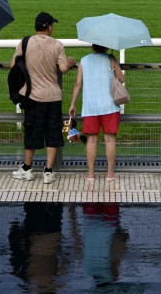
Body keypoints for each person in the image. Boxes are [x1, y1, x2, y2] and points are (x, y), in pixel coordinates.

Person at [10, 13, 78, 184]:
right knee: (53, 132)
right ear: (48, 27)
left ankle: (27, 168)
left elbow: (13, 65)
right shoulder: (57, 45)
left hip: (33, 96)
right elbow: (62, 68)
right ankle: (48, 171)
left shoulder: (24, 42)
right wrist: (70, 62)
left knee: (32, 131)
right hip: (53, 96)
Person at [68, 44, 124, 182]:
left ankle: (91, 174)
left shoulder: (84, 61)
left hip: (90, 106)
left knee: (92, 140)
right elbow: (122, 79)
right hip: (109, 106)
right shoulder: (111, 58)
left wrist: (73, 104)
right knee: (110, 140)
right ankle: (110, 174)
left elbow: (78, 84)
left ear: (93, 45)